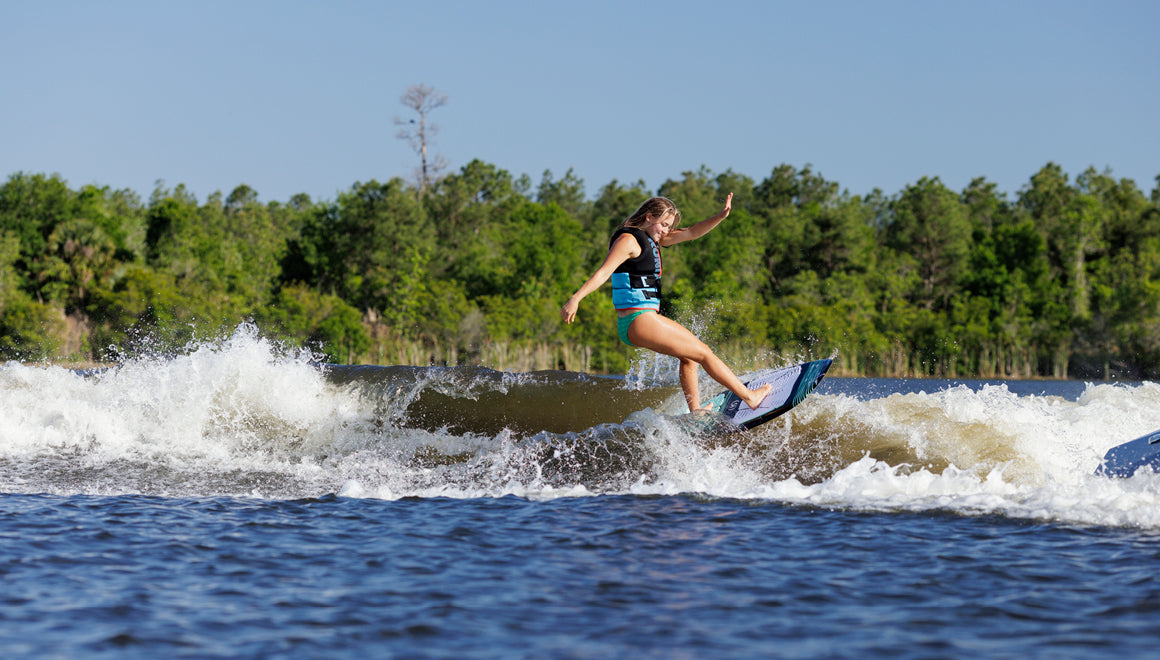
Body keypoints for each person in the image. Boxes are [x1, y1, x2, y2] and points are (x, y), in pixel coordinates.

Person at [561, 193, 772, 413]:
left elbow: (691, 232)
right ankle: (750, 397)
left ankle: (696, 411)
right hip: (638, 319)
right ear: (649, 217)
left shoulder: (653, 239)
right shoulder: (629, 240)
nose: (665, 230)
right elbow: (603, 272)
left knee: (690, 357)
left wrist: (720, 216)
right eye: (663, 224)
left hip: (641, 320)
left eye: (668, 226)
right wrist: (576, 298)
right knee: (705, 353)